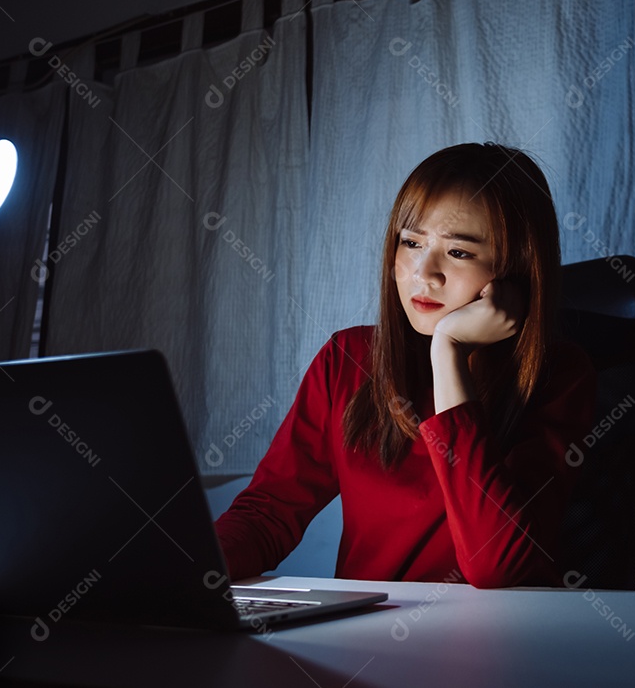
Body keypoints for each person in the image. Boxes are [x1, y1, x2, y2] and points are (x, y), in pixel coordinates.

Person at [214, 142, 596, 589]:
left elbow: (497, 567)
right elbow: (268, 513)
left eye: (458, 253)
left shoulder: (560, 376)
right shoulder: (348, 359)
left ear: (516, 269)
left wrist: (448, 351)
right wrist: (186, 571)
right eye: (411, 242)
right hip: (360, 640)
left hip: (495, 642)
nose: (423, 273)